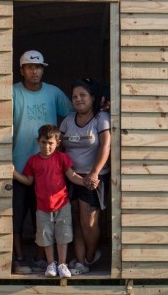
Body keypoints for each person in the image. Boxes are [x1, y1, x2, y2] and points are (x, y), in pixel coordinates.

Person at [12, 50, 74, 274]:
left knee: (44, 217)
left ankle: (40, 259)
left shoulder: (53, 92)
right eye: (29, 67)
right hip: (19, 166)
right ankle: (18, 258)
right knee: (17, 216)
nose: (34, 70)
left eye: (38, 67)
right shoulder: (12, 93)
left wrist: (64, 144)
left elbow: (71, 115)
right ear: (21, 70)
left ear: (43, 69)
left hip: (48, 169)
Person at [13, 124, 86, 279]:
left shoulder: (62, 158)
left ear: (57, 143)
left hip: (62, 204)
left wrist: (85, 181)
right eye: (43, 143)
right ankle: (51, 264)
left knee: (63, 234)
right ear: (37, 141)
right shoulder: (33, 161)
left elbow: (72, 176)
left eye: (50, 143)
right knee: (45, 235)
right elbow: (28, 181)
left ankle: (62, 264)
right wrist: (13, 173)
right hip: (42, 207)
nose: (47, 146)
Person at [60, 78, 110, 273]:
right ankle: (80, 262)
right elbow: (61, 148)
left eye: (83, 95)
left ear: (92, 97)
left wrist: (95, 172)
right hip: (71, 176)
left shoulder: (101, 118)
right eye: (74, 96)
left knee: (88, 221)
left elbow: (106, 146)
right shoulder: (67, 120)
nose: (78, 99)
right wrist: (68, 172)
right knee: (75, 219)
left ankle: (90, 255)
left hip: (93, 177)